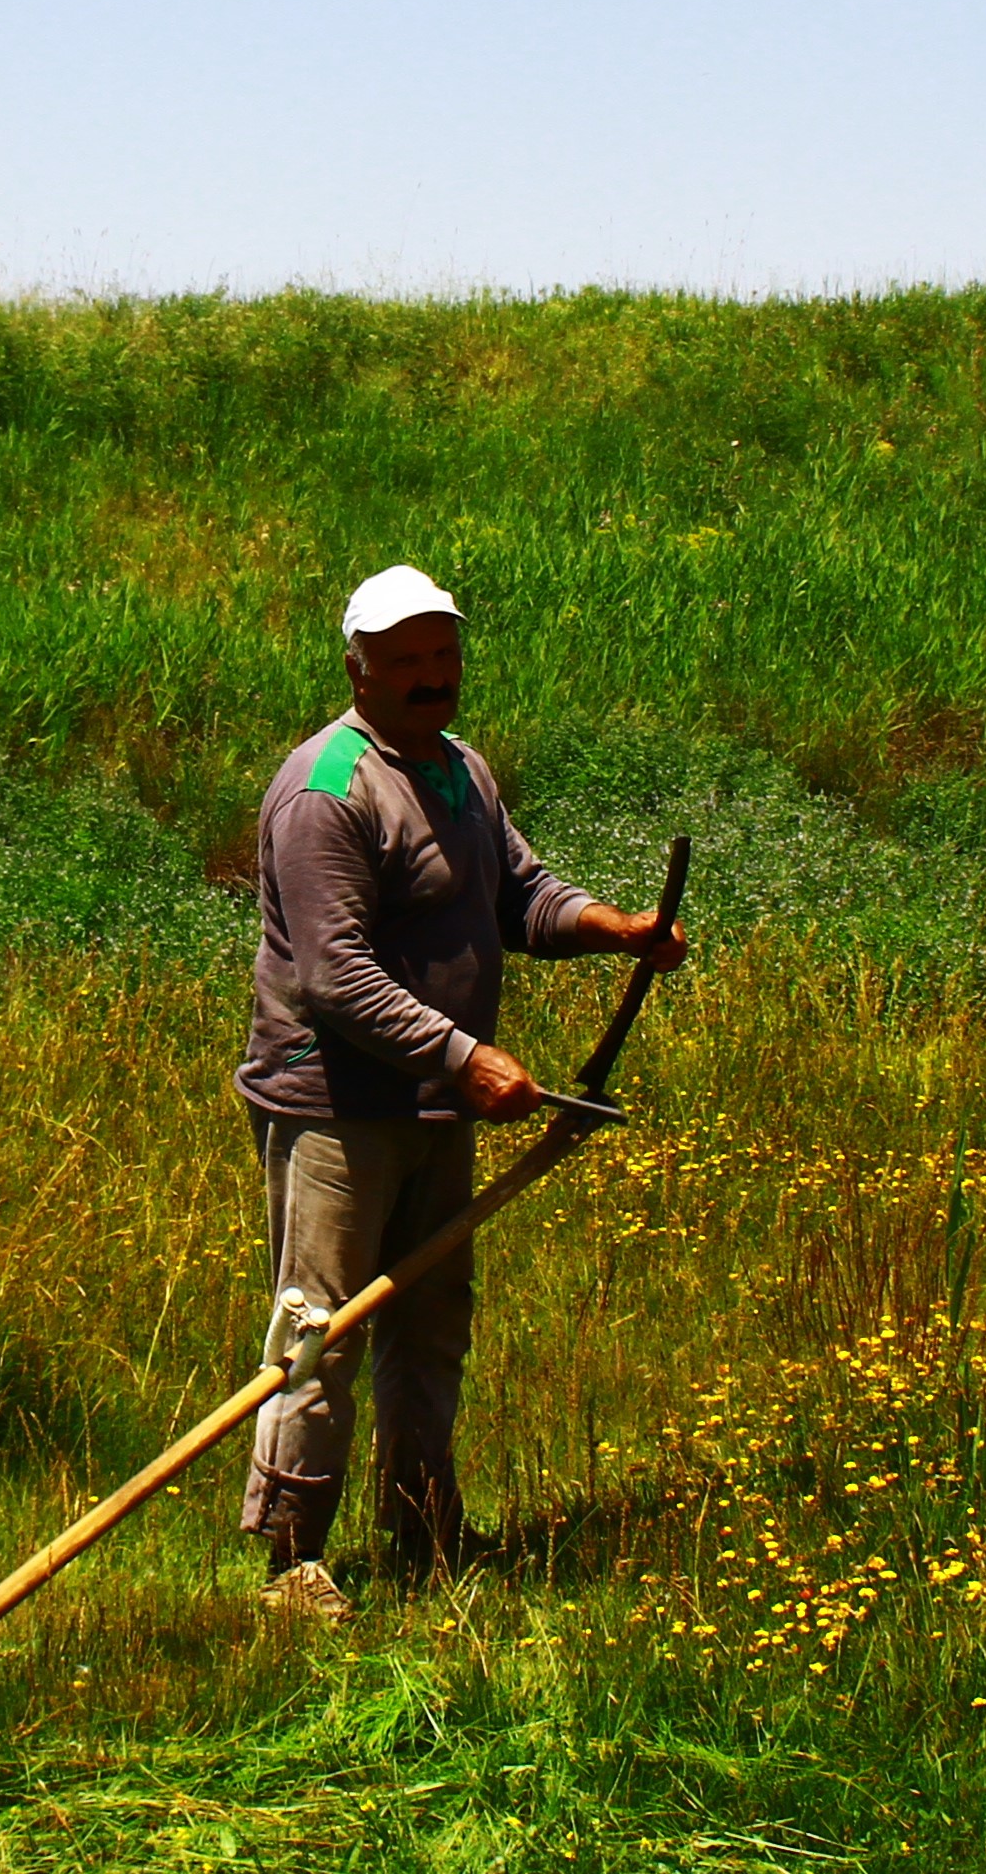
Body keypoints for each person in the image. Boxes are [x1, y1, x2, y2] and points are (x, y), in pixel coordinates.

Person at [234, 563, 691, 1614]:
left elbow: (517, 895)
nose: (430, 677)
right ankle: (291, 1557)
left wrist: (614, 928)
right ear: (359, 667)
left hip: (435, 1105)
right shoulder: (326, 791)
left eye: (443, 656)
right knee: (321, 1329)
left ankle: (423, 1528)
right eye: (406, 661)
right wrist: (465, 1056)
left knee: (431, 1319)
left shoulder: (460, 770)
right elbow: (334, 975)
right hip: (338, 1106)